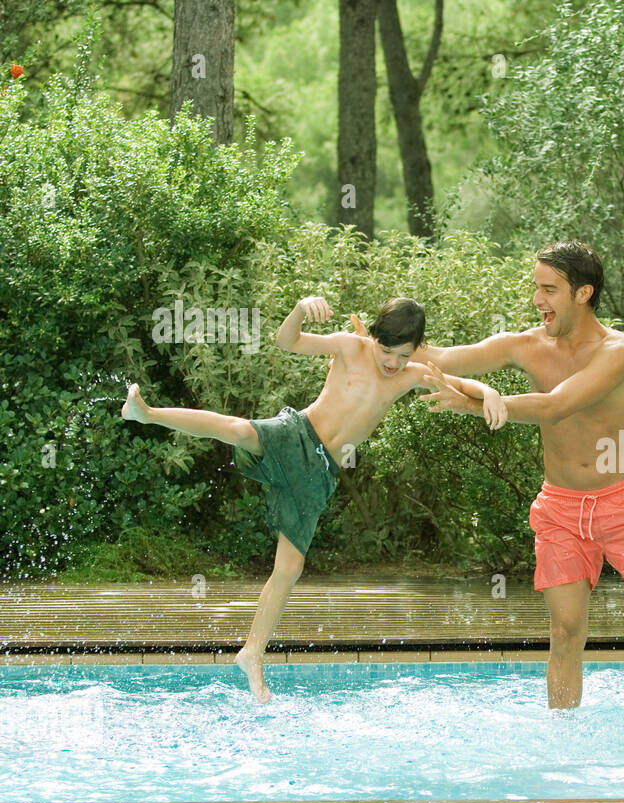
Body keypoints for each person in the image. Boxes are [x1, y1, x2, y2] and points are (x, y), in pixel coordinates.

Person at [408, 240, 624, 708]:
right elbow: (442, 358)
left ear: (583, 293)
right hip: (562, 509)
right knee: (565, 630)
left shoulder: (617, 351)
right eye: (535, 288)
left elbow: (557, 404)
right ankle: (562, 734)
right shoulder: (523, 345)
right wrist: (377, 346)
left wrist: (474, 402)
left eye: (549, 289)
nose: (536, 300)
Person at [121, 295, 507, 701]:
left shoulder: (409, 374)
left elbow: (460, 384)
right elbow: (287, 341)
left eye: (403, 355)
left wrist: (490, 392)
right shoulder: (347, 345)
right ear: (373, 336)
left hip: (320, 473)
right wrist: (301, 310)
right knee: (240, 431)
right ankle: (148, 413)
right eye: (385, 349)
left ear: (415, 352)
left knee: (290, 567)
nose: (392, 362)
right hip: (298, 434)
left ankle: (252, 653)